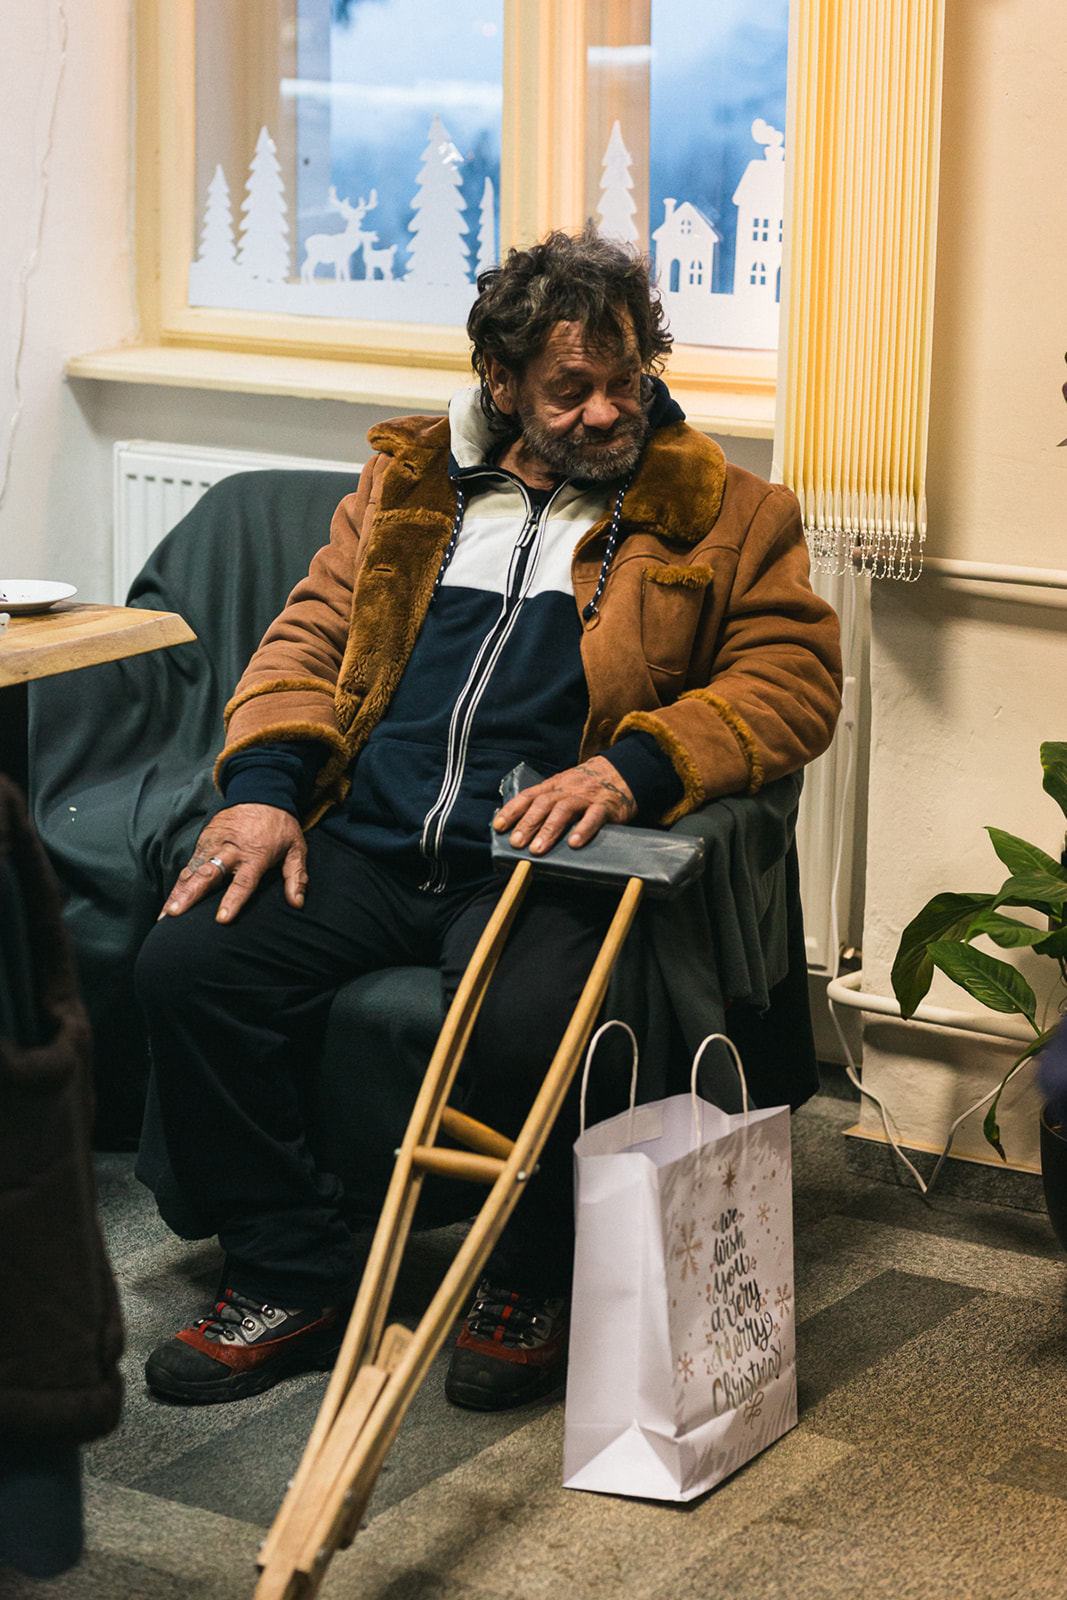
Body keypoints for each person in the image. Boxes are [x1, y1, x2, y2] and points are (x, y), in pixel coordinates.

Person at [136, 225, 842, 1412]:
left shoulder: (729, 511)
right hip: (369, 837)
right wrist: (262, 793)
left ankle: (527, 1274)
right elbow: (304, 642)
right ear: (502, 382)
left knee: (534, 1021)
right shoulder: (406, 486)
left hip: (537, 859)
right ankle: (290, 1267)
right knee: (190, 964)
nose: (604, 412)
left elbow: (790, 678)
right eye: (569, 389)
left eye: (624, 380)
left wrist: (632, 769)